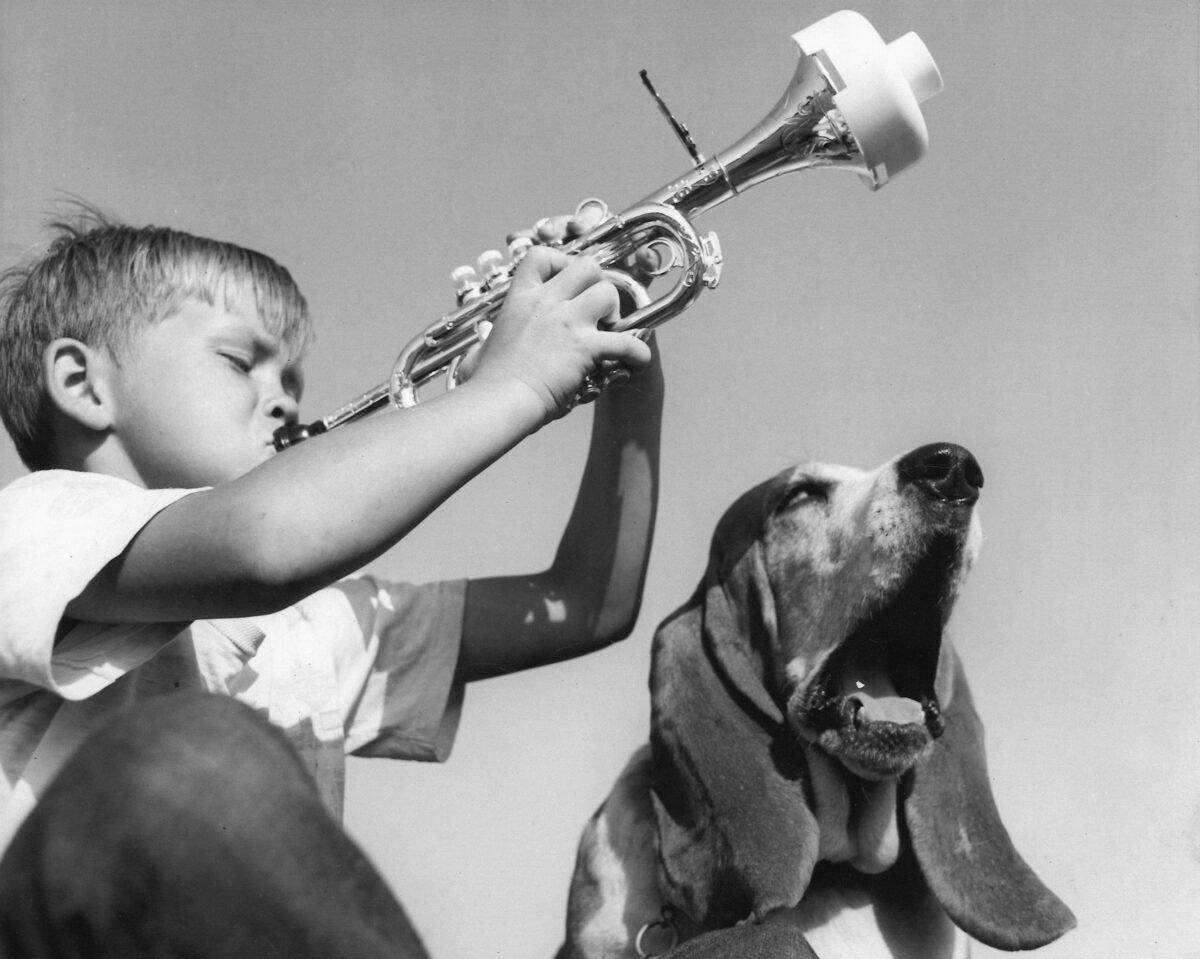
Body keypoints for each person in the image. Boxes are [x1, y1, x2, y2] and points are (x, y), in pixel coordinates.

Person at [0, 205, 663, 958]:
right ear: (82, 384)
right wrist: (514, 384)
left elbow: (588, 603)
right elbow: (266, 543)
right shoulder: (33, 524)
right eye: (239, 361)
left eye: (291, 378)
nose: (285, 398)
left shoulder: (313, 627)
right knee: (198, 755)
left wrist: (623, 353)